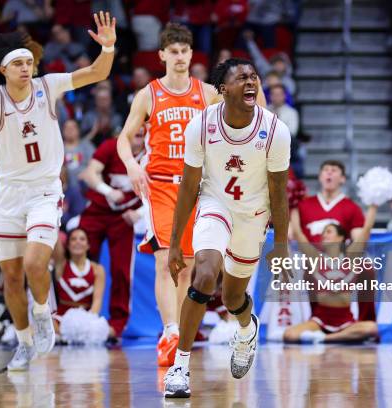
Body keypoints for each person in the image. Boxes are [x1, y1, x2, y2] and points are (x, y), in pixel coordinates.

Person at [0, 11, 117, 370]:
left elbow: (98, 73)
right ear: (5, 70)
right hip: (8, 194)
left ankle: (43, 312)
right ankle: (24, 341)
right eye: (19, 63)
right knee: (10, 276)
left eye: (29, 61)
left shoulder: (48, 85)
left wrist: (108, 47)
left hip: (44, 190)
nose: (26, 67)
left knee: (34, 262)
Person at [116, 23, 265, 367]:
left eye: (185, 51)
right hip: (160, 183)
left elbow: (245, 114)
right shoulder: (148, 94)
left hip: (199, 185)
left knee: (187, 268)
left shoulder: (208, 92)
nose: (180, 57)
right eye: (174, 51)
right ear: (162, 55)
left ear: (191, 55)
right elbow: (125, 138)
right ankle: (169, 331)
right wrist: (132, 166)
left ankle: (180, 334)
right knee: (164, 258)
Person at [163, 58, 291, 398]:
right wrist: (175, 243)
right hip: (215, 204)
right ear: (223, 89)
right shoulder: (200, 125)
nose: (251, 82)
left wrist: (281, 244)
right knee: (204, 275)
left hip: (253, 214)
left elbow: (279, 191)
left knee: (233, 297)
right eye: (241, 78)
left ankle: (247, 330)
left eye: (254, 77)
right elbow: (189, 187)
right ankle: (180, 366)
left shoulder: (275, 131)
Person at [79, 128, 145, 340]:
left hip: (124, 218)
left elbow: (160, 188)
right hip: (98, 211)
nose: (140, 135)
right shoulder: (112, 145)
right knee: (84, 262)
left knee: (121, 270)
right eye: (137, 131)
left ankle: (116, 325)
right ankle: (77, 317)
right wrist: (109, 192)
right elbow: (89, 174)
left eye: (144, 132)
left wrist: (139, 213)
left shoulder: (151, 154)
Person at [283, 205, 379, 343]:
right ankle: (340, 338)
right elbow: (298, 234)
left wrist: (374, 205)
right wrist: (294, 206)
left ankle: (325, 339)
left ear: (341, 237)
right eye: (323, 234)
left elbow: (366, 229)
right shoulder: (316, 258)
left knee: (372, 328)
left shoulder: (350, 258)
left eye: (329, 231)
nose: (324, 235)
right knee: (289, 334)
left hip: (346, 319)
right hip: (320, 319)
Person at [293, 160, 364, 243]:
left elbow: (359, 242)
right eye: (326, 170)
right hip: (305, 255)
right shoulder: (302, 205)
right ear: (320, 177)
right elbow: (290, 236)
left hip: (338, 255)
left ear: (342, 179)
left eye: (334, 170)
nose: (329, 173)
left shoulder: (353, 208)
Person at [51, 228, 106, 336]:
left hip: (87, 318)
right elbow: (55, 240)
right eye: (73, 239)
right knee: (46, 327)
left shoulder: (98, 270)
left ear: (88, 245)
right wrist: (54, 217)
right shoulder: (61, 265)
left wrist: (86, 323)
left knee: (106, 330)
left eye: (82, 239)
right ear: (67, 245)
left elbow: (97, 302)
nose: (77, 242)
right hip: (61, 320)